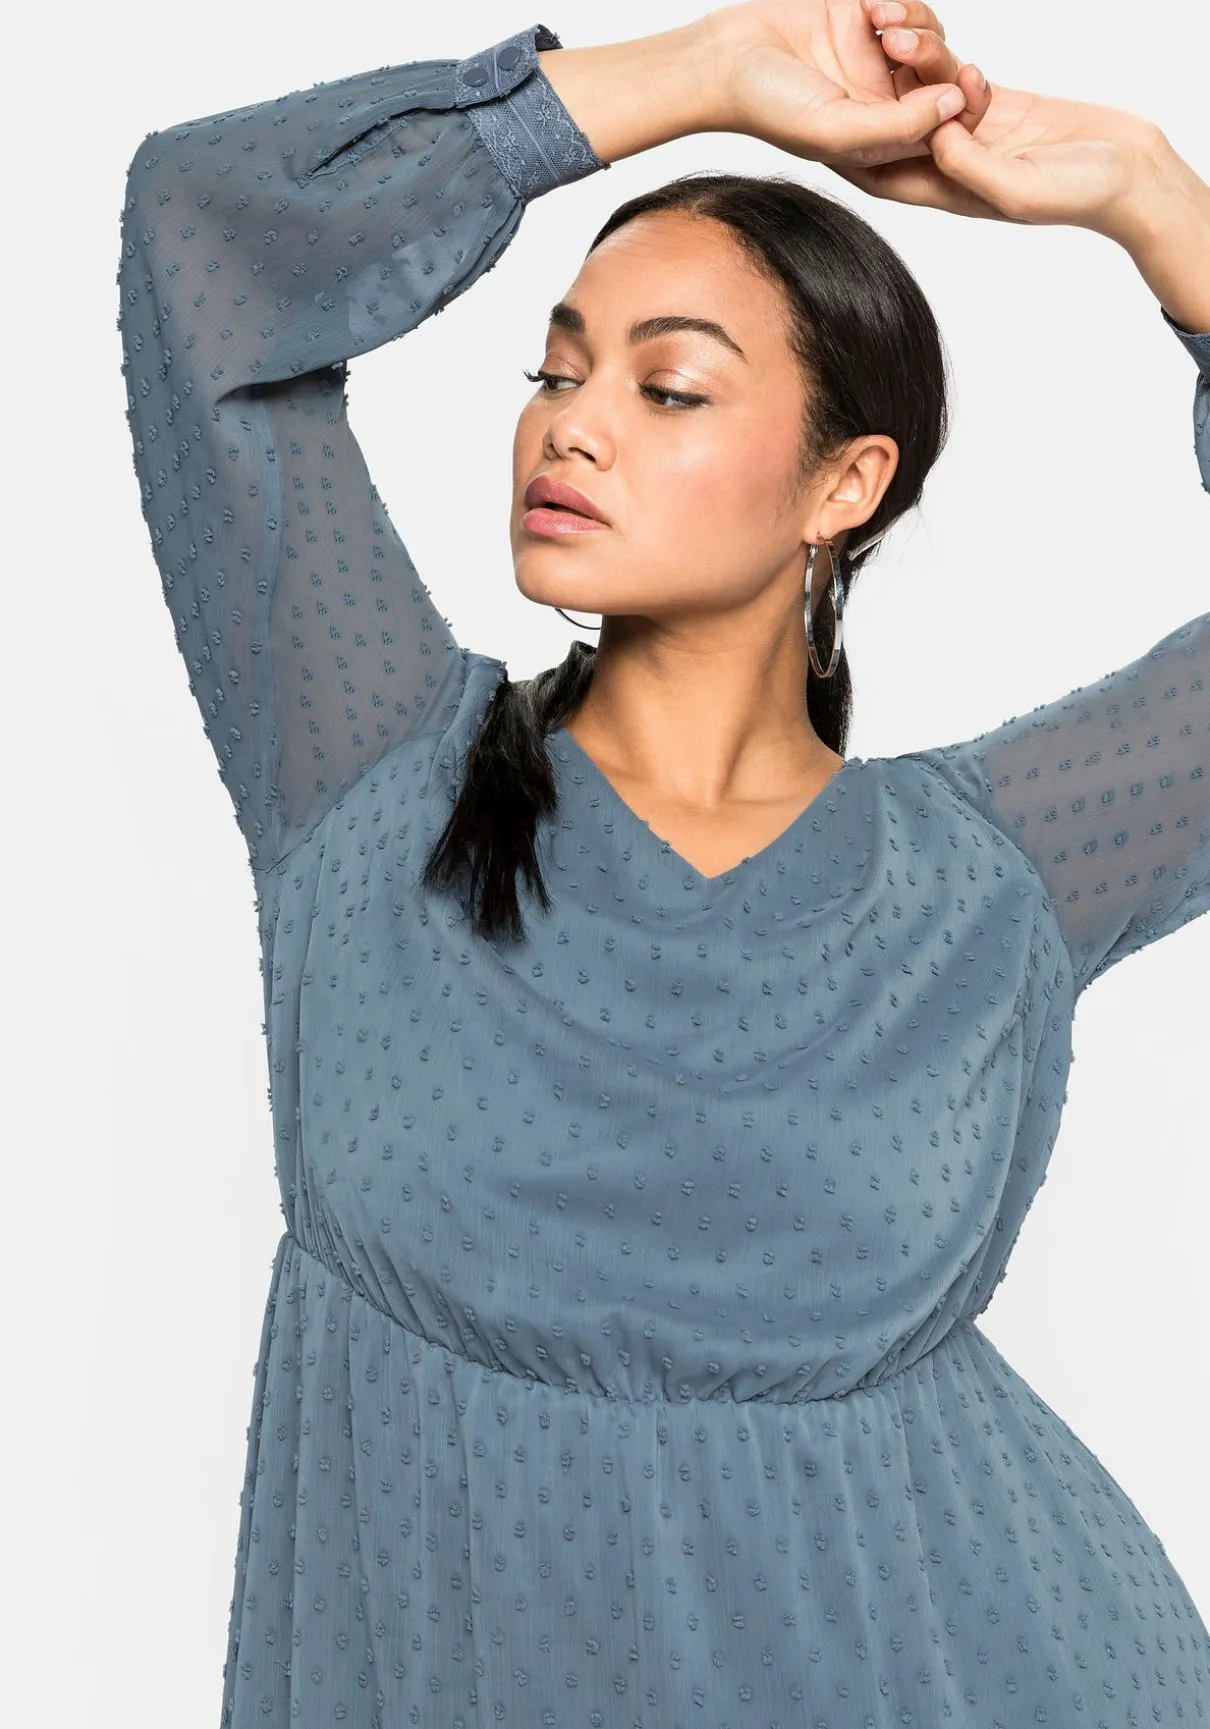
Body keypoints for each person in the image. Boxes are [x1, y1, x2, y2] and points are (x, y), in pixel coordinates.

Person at [117, 3, 1210, 1722]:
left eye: (668, 384)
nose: (571, 426)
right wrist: (708, 80)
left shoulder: (992, 878)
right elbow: (205, 238)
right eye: (554, 372)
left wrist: (1154, 200)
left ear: (844, 483)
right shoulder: (365, 762)